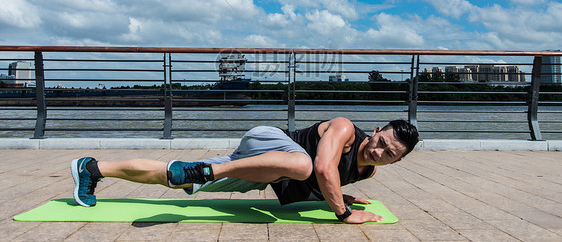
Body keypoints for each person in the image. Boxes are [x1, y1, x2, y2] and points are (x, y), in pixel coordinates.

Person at [71, 117, 418, 224]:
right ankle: (208, 170)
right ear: (375, 131)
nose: (378, 152)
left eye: (389, 154)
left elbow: (327, 181)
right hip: (268, 141)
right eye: (381, 141)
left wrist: (341, 193)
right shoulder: (344, 129)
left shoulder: (367, 172)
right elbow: (323, 169)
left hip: (261, 169)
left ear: (397, 162)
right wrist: (342, 213)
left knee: (175, 178)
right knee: (302, 163)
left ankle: (93, 169)